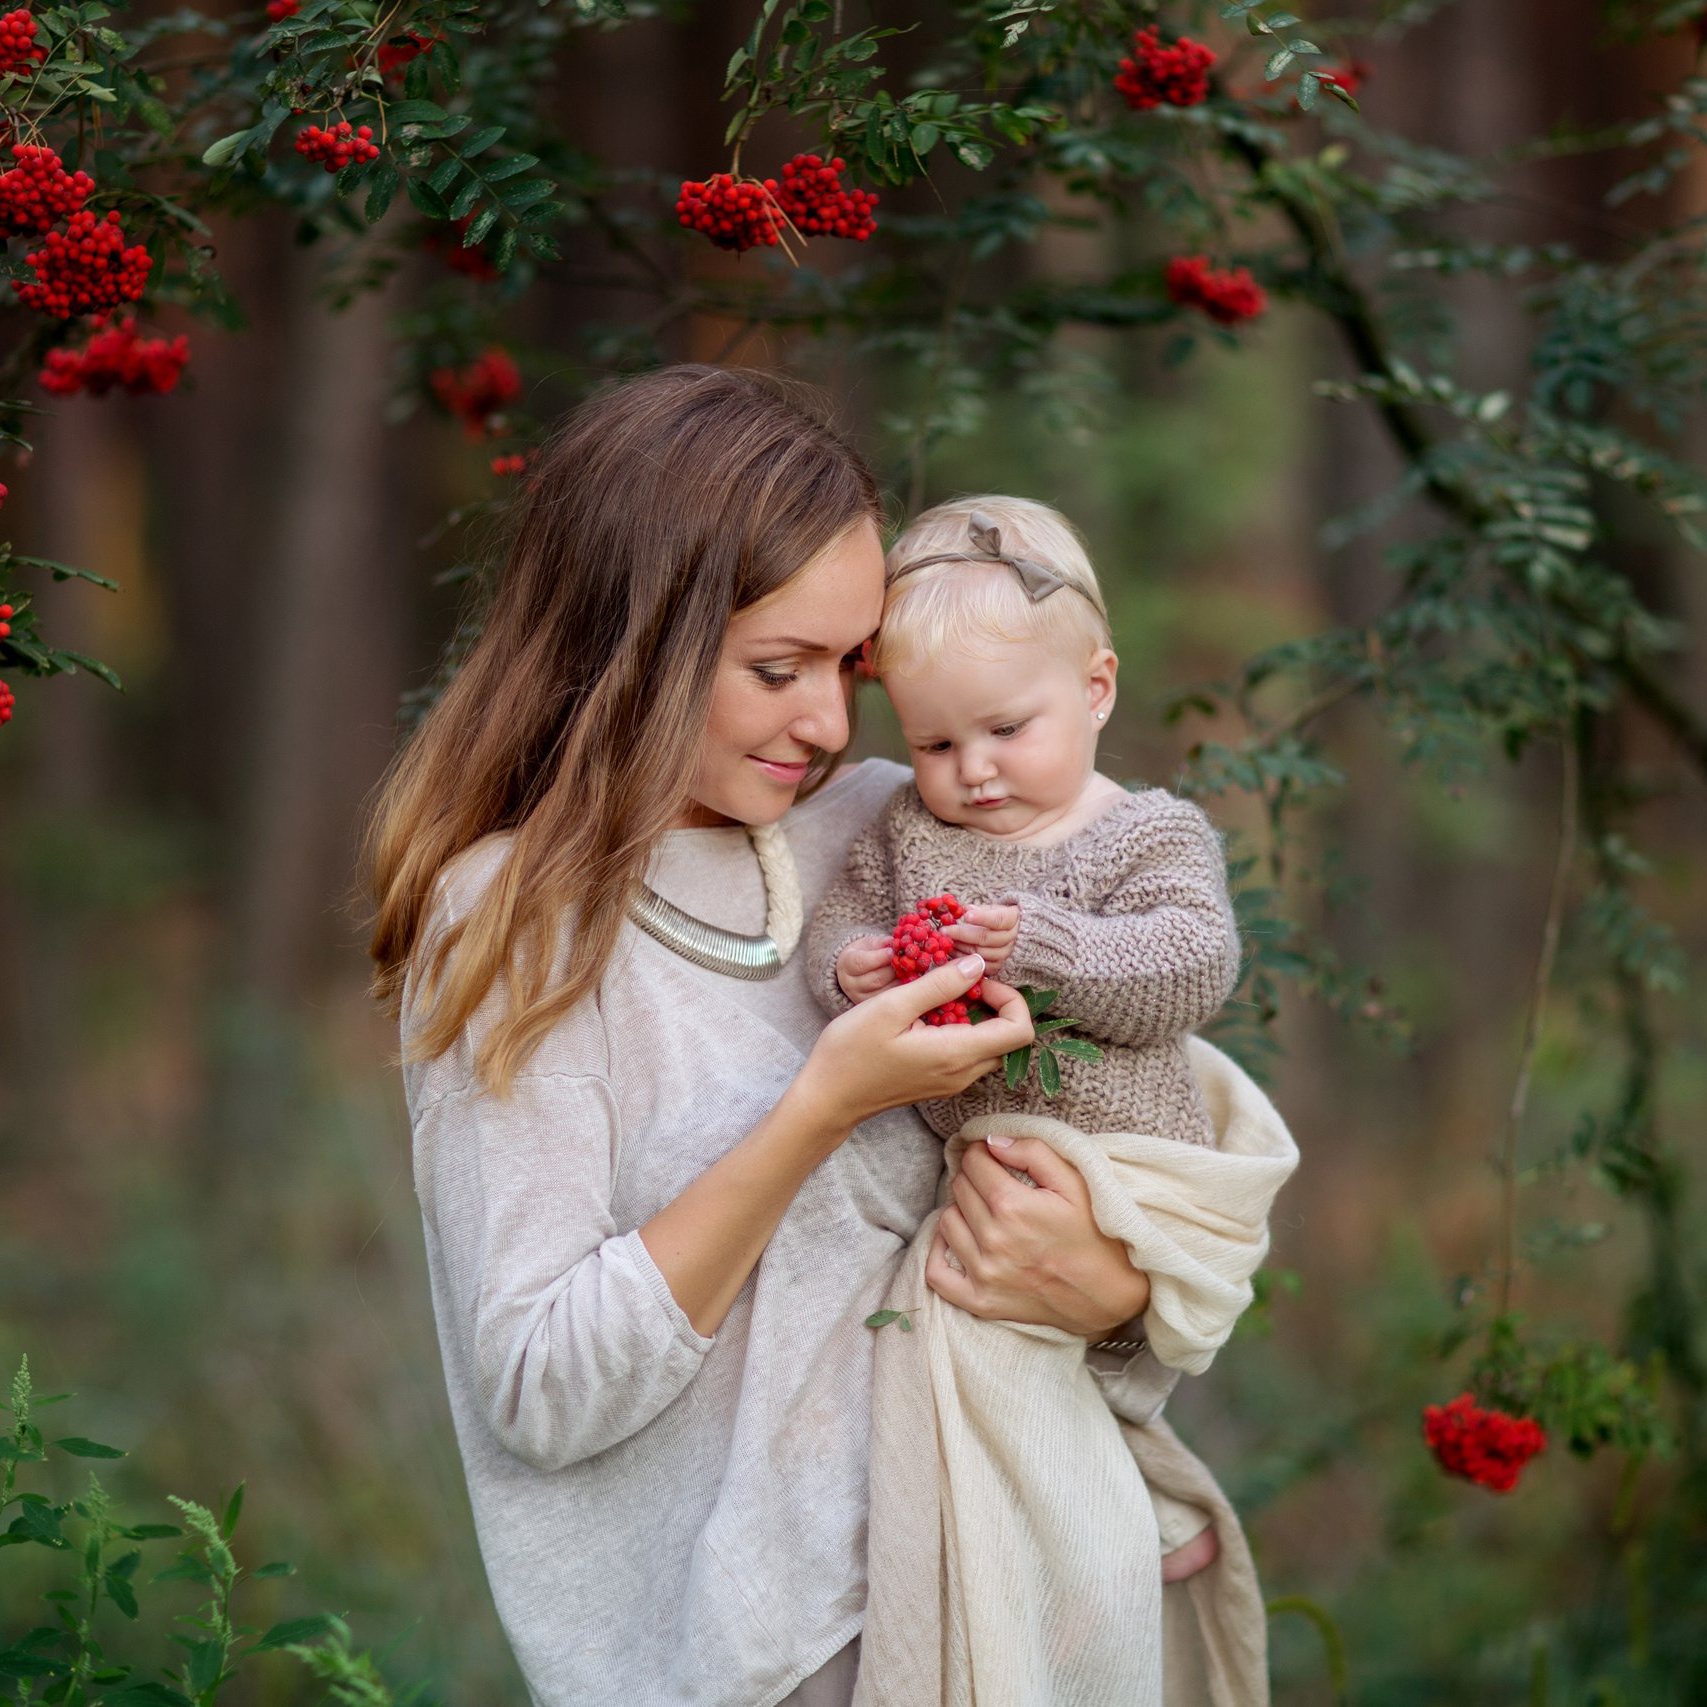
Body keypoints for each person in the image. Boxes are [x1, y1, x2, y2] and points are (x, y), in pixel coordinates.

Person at [363, 366, 1185, 1707]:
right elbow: (543, 1389)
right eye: (774, 668)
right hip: (765, 1661)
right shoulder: (513, 924)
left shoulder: (897, 825)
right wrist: (819, 1108)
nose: (827, 722)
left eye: (849, 667)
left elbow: (1147, 1141)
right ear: (636, 639)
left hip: (1009, 1585)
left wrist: (1117, 1299)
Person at [805, 496, 1299, 1706]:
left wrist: (1043, 943)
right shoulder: (906, 834)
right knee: (995, 1372)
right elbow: (844, 920)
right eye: (933, 742)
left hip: (1127, 1165)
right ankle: (1123, 1522)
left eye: (1006, 730)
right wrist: (850, 968)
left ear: (1096, 688)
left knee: (1041, 1360)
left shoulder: (1143, 836)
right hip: (992, 1169)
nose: (972, 772)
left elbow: (1190, 966)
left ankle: (1106, 1546)